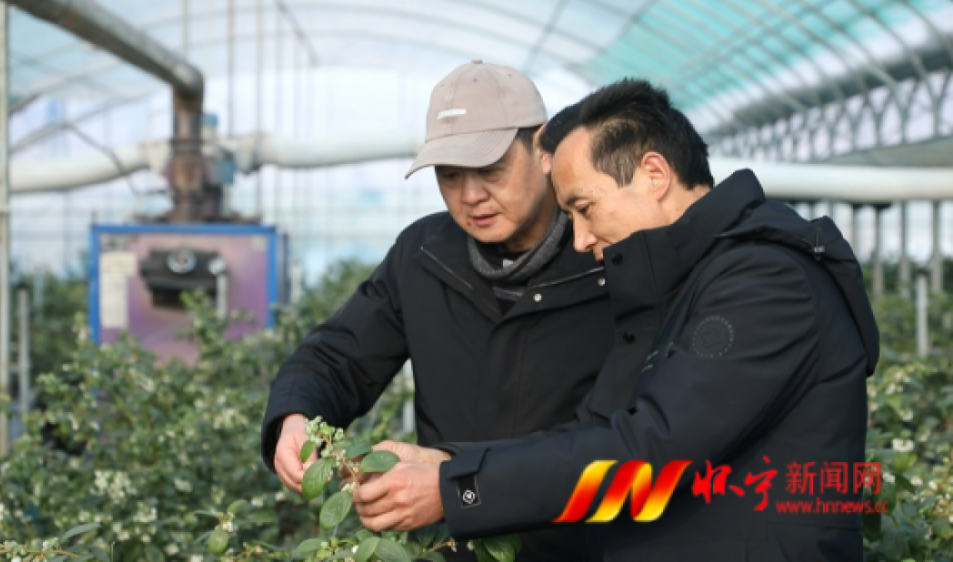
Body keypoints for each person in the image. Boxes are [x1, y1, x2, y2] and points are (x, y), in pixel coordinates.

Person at [351, 79, 880, 561]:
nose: (580, 239)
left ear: (654, 174)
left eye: (585, 208)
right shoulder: (673, 286)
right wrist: (444, 463)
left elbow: (650, 454)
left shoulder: (767, 282)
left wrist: (455, 490)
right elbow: (596, 432)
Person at [260, 60, 616, 561]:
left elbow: (622, 444)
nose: (471, 196)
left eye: (490, 170)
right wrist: (295, 417)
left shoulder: (605, 257)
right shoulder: (425, 255)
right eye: (449, 176)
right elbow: (340, 355)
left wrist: (454, 484)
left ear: (542, 148)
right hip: (452, 546)